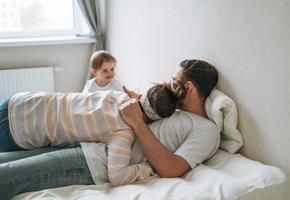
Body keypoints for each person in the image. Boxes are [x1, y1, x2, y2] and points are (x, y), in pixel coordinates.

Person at [0, 59, 219, 200]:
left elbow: (171, 169)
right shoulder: (175, 109)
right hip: (87, 140)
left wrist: (137, 122)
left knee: (8, 176)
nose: (171, 85)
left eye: (174, 82)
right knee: (5, 159)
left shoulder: (206, 130)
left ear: (188, 87)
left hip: (94, 161)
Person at [0, 82, 182, 188]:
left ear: (141, 95)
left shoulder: (116, 94)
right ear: (154, 121)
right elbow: (117, 176)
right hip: (19, 132)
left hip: (21, 101)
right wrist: (148, 168)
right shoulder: (123, 132)